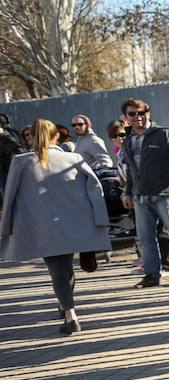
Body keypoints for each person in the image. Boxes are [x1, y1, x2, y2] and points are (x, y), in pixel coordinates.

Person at [1, 118, 112, 335]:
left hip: (41, 226)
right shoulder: (74, 158)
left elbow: (9, 196)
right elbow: (95, 189)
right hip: (74, 224)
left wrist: (7, 227)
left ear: (31, 136)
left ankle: (70, 316)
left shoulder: (22, 162)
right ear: (56, 136)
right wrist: (99, 221)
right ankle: (64, 305)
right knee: (64, 268)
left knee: (58, 270)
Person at [117, 98, 169, 287]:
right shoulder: (128, 140)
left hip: (166, 194)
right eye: (132, 114)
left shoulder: (164, 134)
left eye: (142, 112)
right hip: (140, 195)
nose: (138, 117)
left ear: (148, 113)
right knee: (145, 238)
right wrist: (127, 192)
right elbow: (130, 170)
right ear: (126, 118)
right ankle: (152, 275)